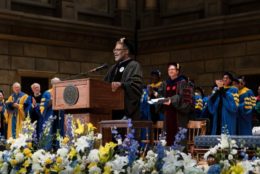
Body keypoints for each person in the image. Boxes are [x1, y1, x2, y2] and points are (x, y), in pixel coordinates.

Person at [104, 37, 143, 120]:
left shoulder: (134, 65)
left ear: (126, 51)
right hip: (111, 111)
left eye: (118, 50)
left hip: (126, 112)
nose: (115, 52)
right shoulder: (113, 68)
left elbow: (136, 86)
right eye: (114, 50)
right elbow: (104, 85)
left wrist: (122, 85)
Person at [157, 62, 194, 146]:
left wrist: (171, 100)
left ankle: (180, 157)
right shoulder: (164, 83)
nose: (171, 71)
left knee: (179, 137)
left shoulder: (183, 83)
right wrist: (157, 97)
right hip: (168, 115)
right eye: (169, 69)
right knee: (167, 137)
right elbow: (160, 96)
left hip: (179, 115)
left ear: (177, 71)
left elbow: (186, 99)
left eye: (173, 69)